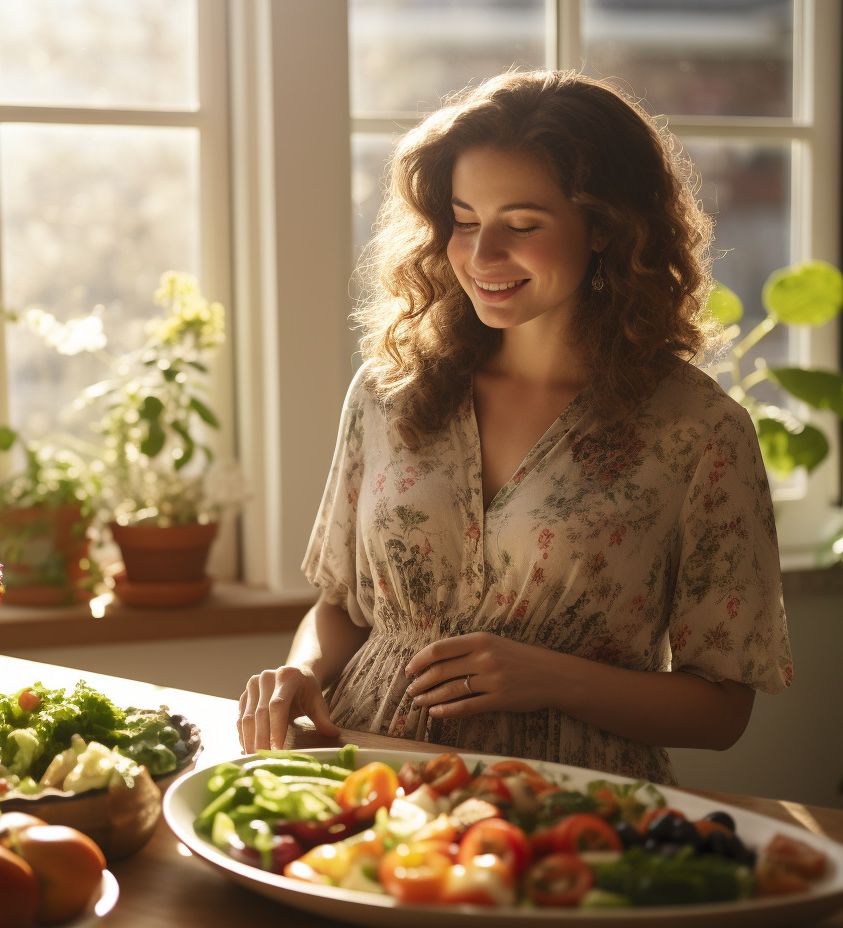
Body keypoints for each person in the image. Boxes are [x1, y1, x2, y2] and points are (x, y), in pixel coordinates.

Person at [237, 69, 791, 786]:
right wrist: (301, 670)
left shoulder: (700, 432)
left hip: (568, 808)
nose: (481, 255)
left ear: (607, 228)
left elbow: (722, 712)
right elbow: (342, 607)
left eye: (522, 225)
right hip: (366, 780)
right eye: (465, 222)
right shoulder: (390, 391)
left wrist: (554, 678)